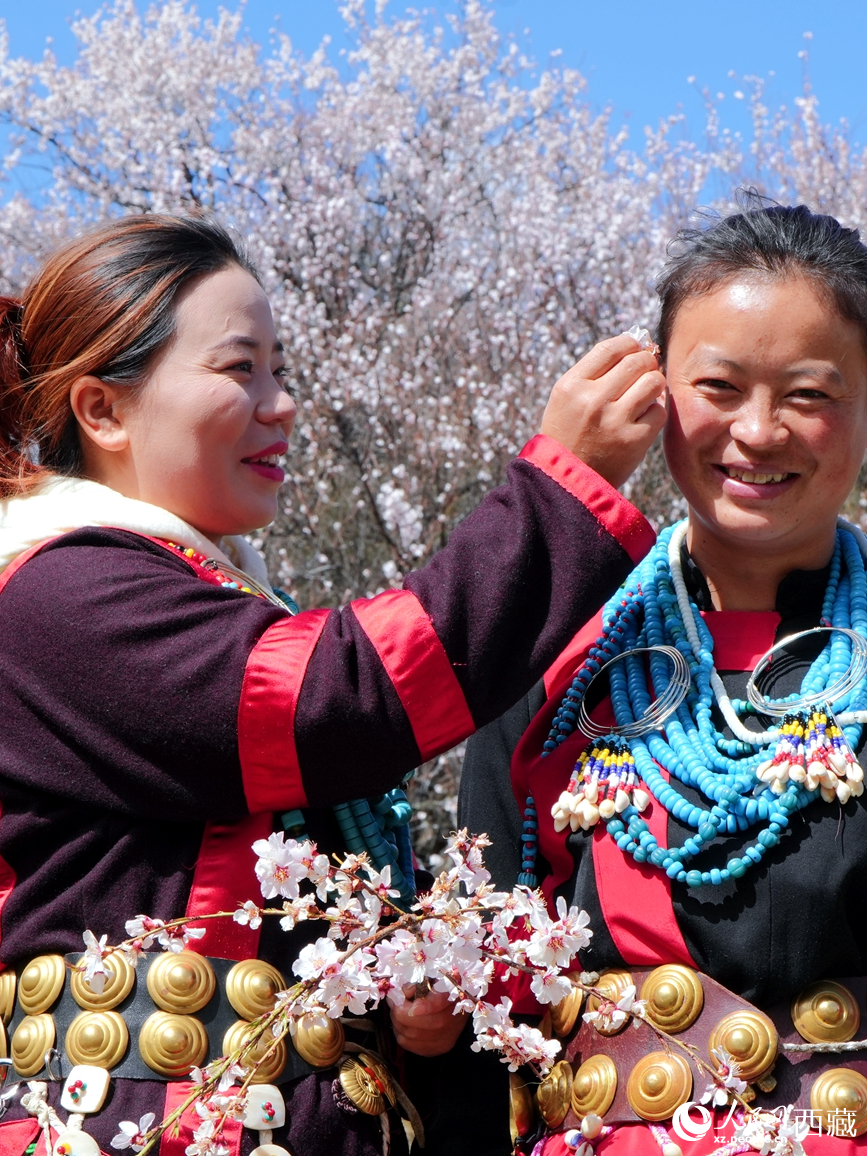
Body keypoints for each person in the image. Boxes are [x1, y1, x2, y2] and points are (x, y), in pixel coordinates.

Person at [0, 213, 666, 1156]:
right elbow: (332, 699)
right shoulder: (53, 594)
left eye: (282, 371)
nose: (280, 405)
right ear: (102, 410)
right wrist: (565, 486)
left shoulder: (198, 594)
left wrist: (413, 1012)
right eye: (239, 369)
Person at [460, 202, 867, 1156]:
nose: (757, 432)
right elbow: (486, 989)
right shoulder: (559, 655)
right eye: (717, 386)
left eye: (808, 393)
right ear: (656, 390)